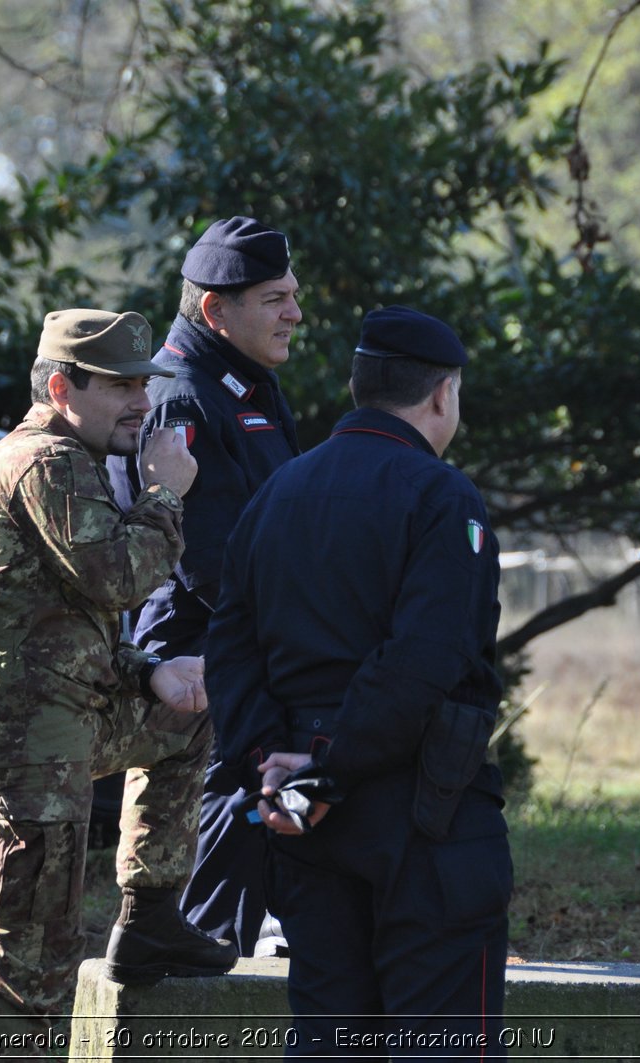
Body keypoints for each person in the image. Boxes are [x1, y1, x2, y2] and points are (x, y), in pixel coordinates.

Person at [0, 308, 237, 1062]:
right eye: (123, 386)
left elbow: (56, 626)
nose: (142, 401)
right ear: (64, 387)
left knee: (188, 719)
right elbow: (119, 578)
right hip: (25, 740)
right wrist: (167, 493)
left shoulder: (68, 460)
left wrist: (151, 672)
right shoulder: (46, 464)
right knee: (30, 963)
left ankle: (152, 915)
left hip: (58, 716)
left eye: (145, 383)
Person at [207, 306, 512, 1057]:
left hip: (304, 819)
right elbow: (421, 663)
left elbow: (231, 648)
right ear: (443, 395)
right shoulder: (444, 498)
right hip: (420, 814)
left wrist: (274, 765)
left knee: (331, 1037)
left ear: (355, 385)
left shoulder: (275, 495)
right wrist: (328, 769)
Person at [109, 216, 303, 957]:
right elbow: (205, 560)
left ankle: (274, 923)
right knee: (227, 797)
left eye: (292, 294)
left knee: (285, 784)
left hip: (264, 636)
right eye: (274, 298)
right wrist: (292, 635)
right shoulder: (184, 394)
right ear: (216, 311)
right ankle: (209, 955)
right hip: (208, 644)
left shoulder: (250, 380)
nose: (294, 312)